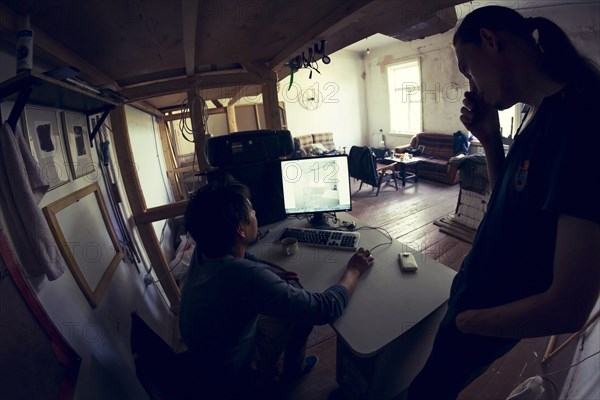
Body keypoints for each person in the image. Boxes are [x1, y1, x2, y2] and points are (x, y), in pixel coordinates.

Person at [407, 5, 600, 400]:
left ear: (491, 41)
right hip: (476, 295)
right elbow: (507, 206)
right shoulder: (539, 111)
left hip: (487, 311)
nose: (471, 85)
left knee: (428, 390)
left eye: (467, 68)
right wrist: (491, 141)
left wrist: (468, 322)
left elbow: (569, 306)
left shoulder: (582, 123)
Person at [179, 178, 374, 399]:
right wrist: (354, 270)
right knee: (302, 307)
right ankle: (290, 371)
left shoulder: (205, 251)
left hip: (208, 359)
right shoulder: (244, 275)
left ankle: (291, 367)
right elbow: (325, 309)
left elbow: (244, 260)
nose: (255, 214)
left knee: (292, 291)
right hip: (236, 376)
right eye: (251, 211)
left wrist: (267, 272)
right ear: (240, 230)